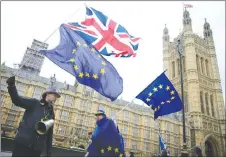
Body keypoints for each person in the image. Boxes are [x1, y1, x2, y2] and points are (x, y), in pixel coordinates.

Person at [6, 76, 60, 157]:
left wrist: (49, 151)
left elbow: (49, 133)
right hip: (23, 144)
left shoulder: (51, 113)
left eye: (57, 96)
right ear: (47, 94)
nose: (56, 98)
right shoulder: (34, 103)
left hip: (36, 149)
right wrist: (11, 86)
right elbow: (17, 100)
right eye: (54, 95)